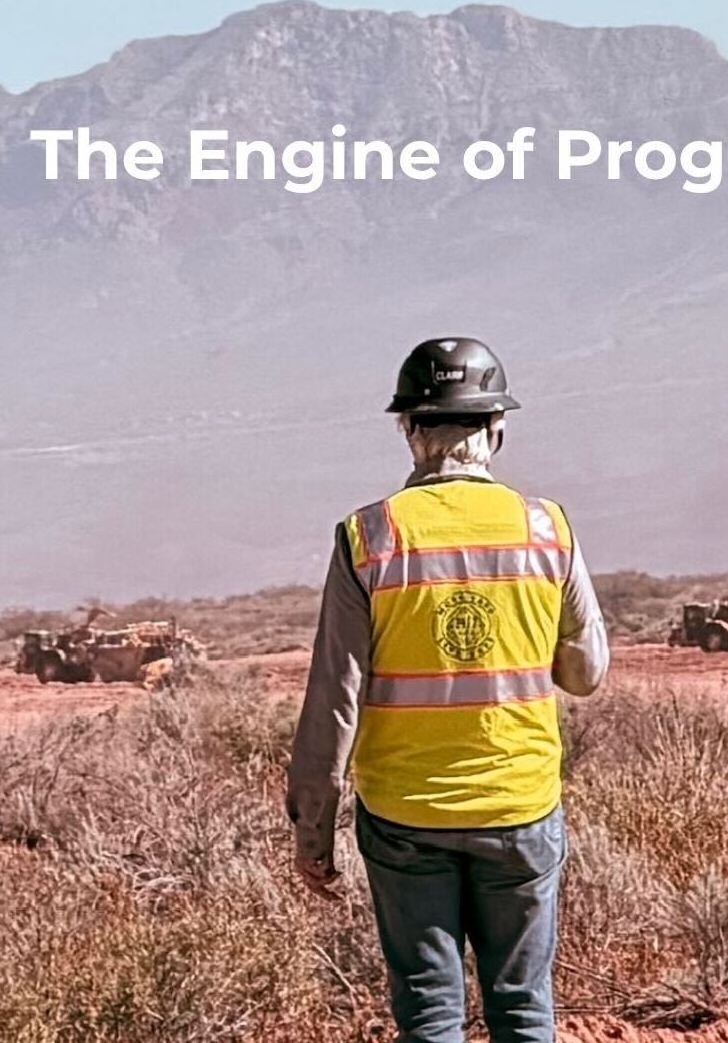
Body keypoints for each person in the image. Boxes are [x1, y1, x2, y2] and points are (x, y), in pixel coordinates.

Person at [286, 337, 610, 1043]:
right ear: (497, 429)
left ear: (409, 429)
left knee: (430, 1012)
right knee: (522, 1008)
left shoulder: (368, 536)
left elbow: (335, 698)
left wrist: (313, 832)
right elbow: (586, 673)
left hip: (405, 816)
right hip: (520, 807)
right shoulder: (547, 529)